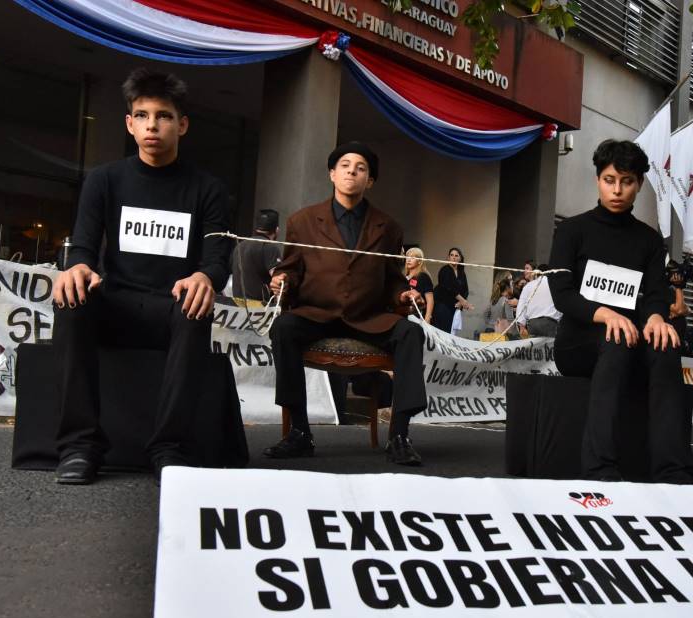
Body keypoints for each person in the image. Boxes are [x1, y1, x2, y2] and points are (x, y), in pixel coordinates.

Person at [50, 68, 232, 485]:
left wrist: (204, 277)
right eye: (143, 115)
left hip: (172, 307)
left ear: (182, 125)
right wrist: (76, 268)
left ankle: (169, 448)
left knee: (196, 307)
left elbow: (217, 259)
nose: (153, 125)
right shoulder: (104, 180)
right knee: (71, 298)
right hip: (116, 301)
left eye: (164, 116)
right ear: (130, 124)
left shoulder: (208, 189)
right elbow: (82, 248)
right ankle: (80, 446)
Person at [266, 142, 427, 466]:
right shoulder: (303, 221)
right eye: (344, 165)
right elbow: (291, 268)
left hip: (368, 317)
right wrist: (282, 280)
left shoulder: (389, 227)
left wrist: (404, 294)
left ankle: (399, 435)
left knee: (410, 333)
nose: (352, 170)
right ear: (332, 174)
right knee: (283, 327)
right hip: (317, 314)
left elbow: (394, 277)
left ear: (370, 180)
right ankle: (299, 432)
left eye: (361, 167)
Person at [548, 139, 693, 483]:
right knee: (615, 341)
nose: (617, 190)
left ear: (639, 184)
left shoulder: (648, 240)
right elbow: (562, 295)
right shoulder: (572, 230)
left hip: (630, 338)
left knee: (666, 344)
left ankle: (673, 470)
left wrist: (657, 317)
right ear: (598, 180)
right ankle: (600, 469)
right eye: (609, 180)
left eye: (627, 181)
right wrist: (607, 314)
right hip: (579, 342)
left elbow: (657, 293)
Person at [231, 209, 282, 301]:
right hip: (259, 310)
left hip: (238, 307)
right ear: (277, 230)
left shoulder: (239, 246)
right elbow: (279, 283)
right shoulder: (270, 247)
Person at [515, 263, 562, 338]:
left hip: (532, 324)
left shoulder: (528, 286)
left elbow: (521, 306)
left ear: (537, 273)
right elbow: (560, 305)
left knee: (535, 349)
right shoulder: (554, 285)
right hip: (550, 323)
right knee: (549, 349)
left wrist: (522, 326)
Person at [433, 247, 472, 333]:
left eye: (456, 255)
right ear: (448, 257)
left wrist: (461, 302)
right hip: (443, 306)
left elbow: (465, 290)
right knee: (443, 332)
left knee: (451, 333)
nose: (454, 257)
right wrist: (463, 301)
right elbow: (448, 288)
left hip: (454, 308)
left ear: (460, 258)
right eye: (451, 255)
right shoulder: (444, 270)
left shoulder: (461, 272)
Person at [404, 247, 434, 324]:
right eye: (407, 257)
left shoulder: (423, 276)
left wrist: (427, 319)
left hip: (418, 316)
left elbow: (430, 300)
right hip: (404, 315)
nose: (409, 260)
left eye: (412, 257)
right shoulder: (404, 276)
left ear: (419, 261)